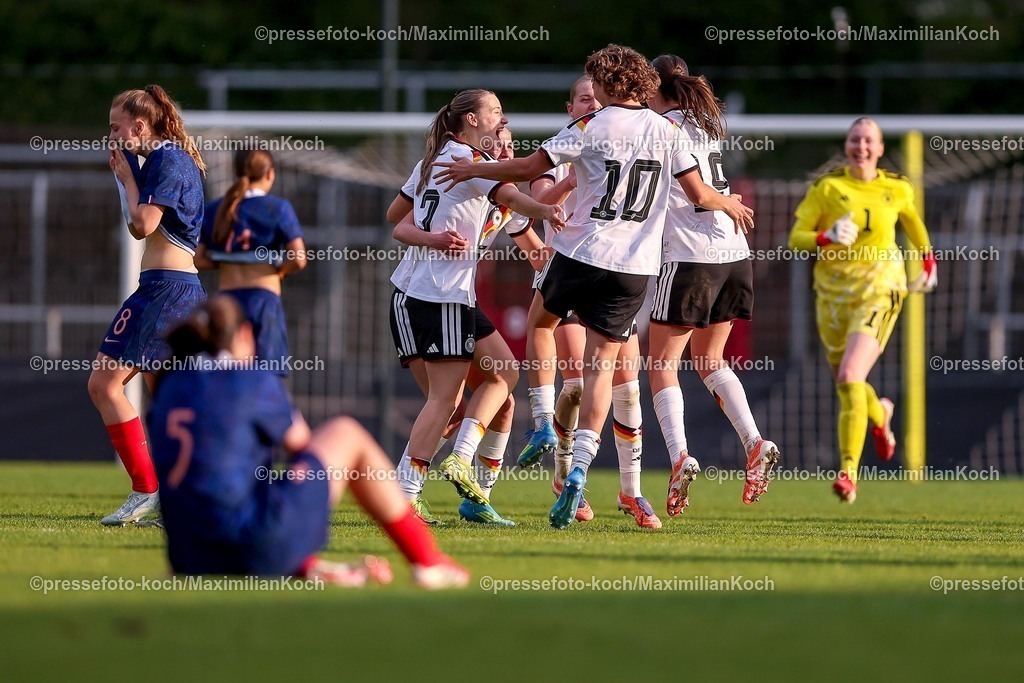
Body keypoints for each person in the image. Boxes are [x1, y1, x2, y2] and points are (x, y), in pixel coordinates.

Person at [433, 45, 754, 529]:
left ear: (605, 84)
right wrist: (728, 204)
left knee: (542, 323)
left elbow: (527, 169)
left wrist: (475, 168)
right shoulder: (667, 130)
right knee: (603, 371)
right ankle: (580, 467)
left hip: (580, 254)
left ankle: (543, 423)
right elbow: (700, 194)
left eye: (594, 83)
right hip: (634, 269)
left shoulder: (592, 126)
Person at [147, 295, 469, 589]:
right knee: (347, 433)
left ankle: (304, 564)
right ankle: (427, 562)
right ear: (244, 334)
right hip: (253, 546)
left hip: (186, 558)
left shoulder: (169, 384)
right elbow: (301, 444)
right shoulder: (250, 379)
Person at [385, 89, 564, 522]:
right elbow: (519, 200)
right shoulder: (471, 165)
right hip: (435, 294)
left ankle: (473, 496)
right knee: (448, 403)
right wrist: (548, 207)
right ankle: (407, 493)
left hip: (433, 295)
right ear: (473, 124)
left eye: (511, 138)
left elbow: (397, 216)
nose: (509, 144)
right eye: (498, 120)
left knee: (497, 384)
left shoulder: (451, 164)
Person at [646, 54, 780, 513]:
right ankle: (754, 441)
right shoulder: (708, 124)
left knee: (662, 362)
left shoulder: (659, 127)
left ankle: (680, 455)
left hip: (689, 258)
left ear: (654, 86)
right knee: (709, 358)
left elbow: (696, 194)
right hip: (734, 255)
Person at [525, 77, 657, 527]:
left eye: (598, 98)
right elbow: (534, 200)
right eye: (585, 98)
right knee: (578, 384)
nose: (593, 103)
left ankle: (631, 491)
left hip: (612, 270)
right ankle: (564, 474)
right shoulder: (569, 145)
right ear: (571, 106)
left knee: (626, 383)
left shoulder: (620, 139)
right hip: (570, 271)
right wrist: (573, 180)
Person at [788, 116, 937, 503]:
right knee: (848, 385)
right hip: (833, 298)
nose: (862, 147)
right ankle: (880, 414)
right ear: (847, 144)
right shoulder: (828, 188)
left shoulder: (897, 189)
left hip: (881, 288)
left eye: (869, 141)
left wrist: (927, 261)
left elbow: (915, 226)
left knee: (853, 375)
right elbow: (795, 240)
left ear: (881, 148)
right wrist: (826, 236)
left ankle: (849, 472)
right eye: (856, 140)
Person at [89, 85, 207, 526]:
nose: (113, 136)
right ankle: (189, 499)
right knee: (174, 402)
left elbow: (143, 224)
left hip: (166, 292)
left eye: (116, 128)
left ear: (140, 125)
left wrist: (126, 178)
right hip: (171, 288)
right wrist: (127, 178)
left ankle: (146, 492)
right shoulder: (166, 158)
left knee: (104, 385)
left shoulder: (167, 159)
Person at [195, 149, 307, 376]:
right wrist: (280, 270)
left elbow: (197, 258)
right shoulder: (278, 208)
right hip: (262, 301)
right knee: (267, 377)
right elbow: (298, 258)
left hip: (226, 305)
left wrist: (227, 262)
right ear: (270, 174)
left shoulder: (217, 208)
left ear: (236, 173)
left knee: (226, 376)